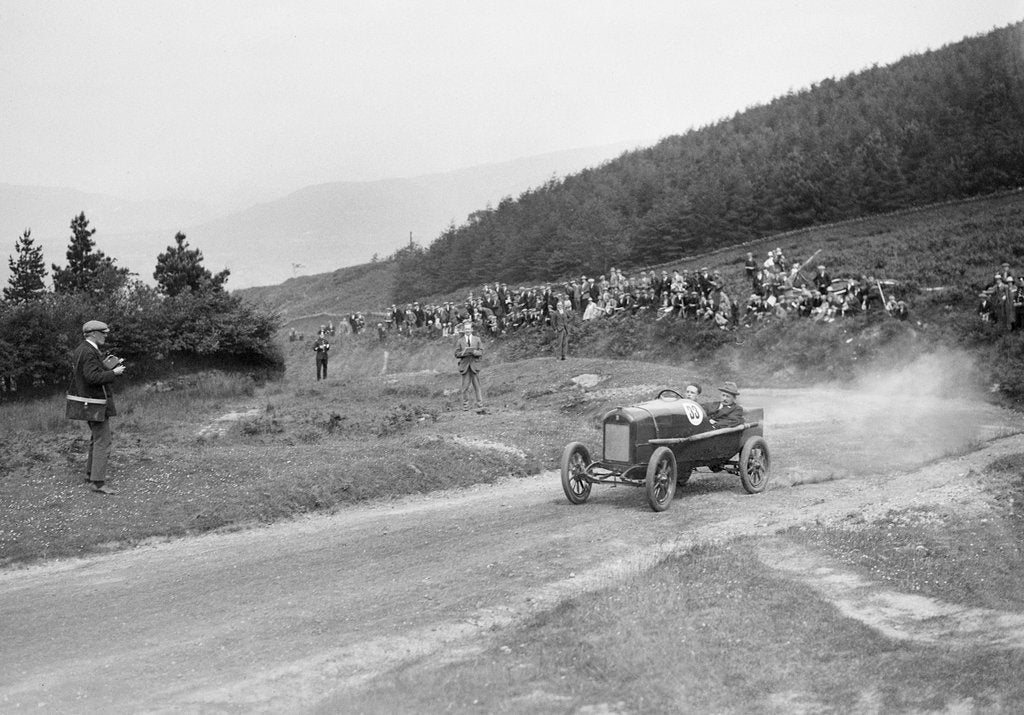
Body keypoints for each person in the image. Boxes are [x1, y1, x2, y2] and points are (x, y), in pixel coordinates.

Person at [67, 320, 126, 494]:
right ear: (93, 333)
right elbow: (92, 377)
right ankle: (98, 483)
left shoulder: (83, 349)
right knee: (103, 441)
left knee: (96, 439)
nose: (106, 336)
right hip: (95, 403)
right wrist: (113, 372)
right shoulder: (89, 351)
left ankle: (90, 475)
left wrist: (106, 366)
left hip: (90, 403)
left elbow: (90, 373)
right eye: (103, 333)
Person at [455, 321, 484, 411]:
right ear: (463, 330)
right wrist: (462, 353)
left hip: (475, 365)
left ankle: (480, 405)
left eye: (469, 329)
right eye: (466, 329)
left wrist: (475, 352)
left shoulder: (477, 339)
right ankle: (466, 406)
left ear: (471, 329)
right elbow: (456, 354)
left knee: (477, 386)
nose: (467, 330)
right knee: (465, 387)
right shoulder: (460, 341)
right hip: (465, 366)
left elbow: (481, 352)